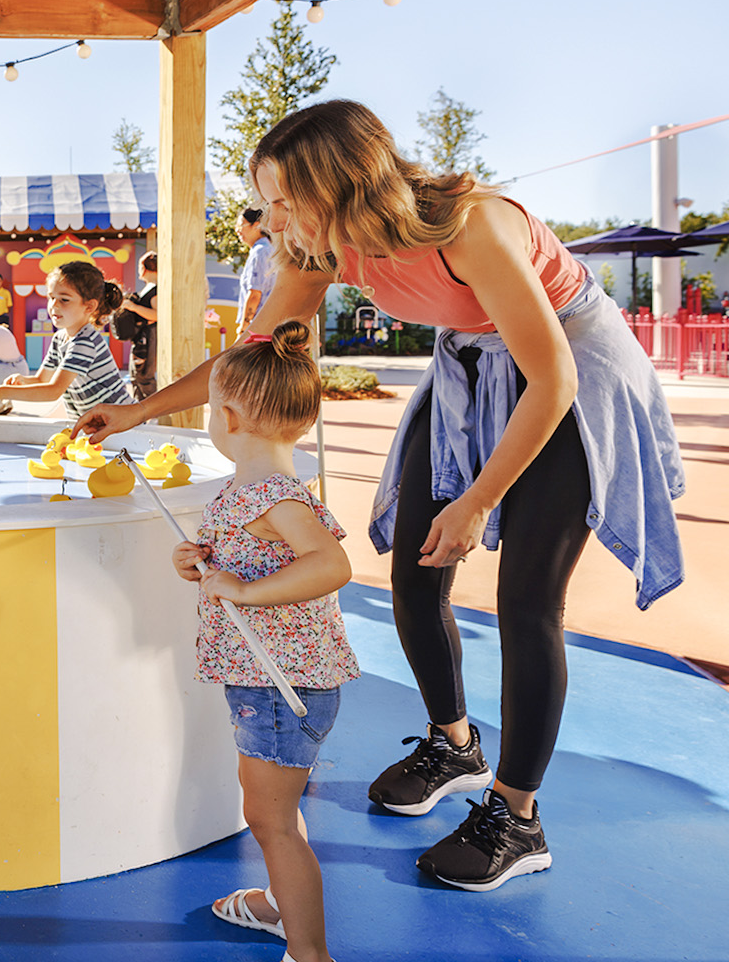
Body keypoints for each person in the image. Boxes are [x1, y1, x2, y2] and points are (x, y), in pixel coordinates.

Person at [76, 99, 685, 892]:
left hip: (565, 370)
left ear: (340, 184)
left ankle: (518, 814)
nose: (273, 219)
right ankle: (453, 742)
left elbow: (554, 378)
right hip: (470, 363)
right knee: (413, 574)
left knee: (526, 602)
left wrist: (478, 500)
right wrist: (138, 408)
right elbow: (245, 357)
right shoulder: (318, 250)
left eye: (285, 199)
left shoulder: (475, 227)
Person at [173, 321, 357, 962]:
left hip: (282, 686)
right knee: (277, 810)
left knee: (270, 821)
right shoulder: (251, 492)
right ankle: (282, 902)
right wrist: (200, 561)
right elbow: (245, 562)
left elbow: (331, 565)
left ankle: (309, 951)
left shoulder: (272, 497)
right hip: (269, 682)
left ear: (226, 417)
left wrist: (244, 592)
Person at [0, 260, 132, 420]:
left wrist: (2, 393)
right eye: (51, 297)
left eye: (64, 299)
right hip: (96, 423)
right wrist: (24, 380)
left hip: (121, 422)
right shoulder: (60, 338)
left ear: (89, 307)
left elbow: (53, 391)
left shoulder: (85, 341)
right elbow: (43, 379)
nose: (54, 305)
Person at [115, 251, 159, 401]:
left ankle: (154, 413)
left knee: (145, 377)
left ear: (144, 267)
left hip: (149, 337)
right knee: (136, 377)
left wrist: (133, 307)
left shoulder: (156, 290)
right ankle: (139, 412)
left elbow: (157, 315)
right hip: (140, 337)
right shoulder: (149, 287)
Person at [237, 208, 277, 333]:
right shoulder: (266, 249)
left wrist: (244, 327)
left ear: (256, 225)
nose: (238, 230)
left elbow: (255, 293)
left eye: (241, 224)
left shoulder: (260, 252)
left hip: (257, 327)